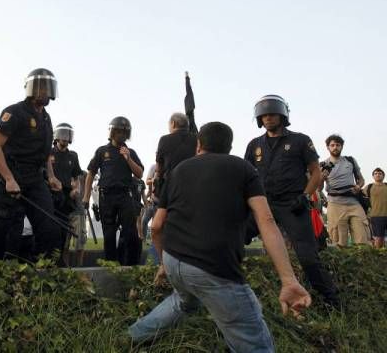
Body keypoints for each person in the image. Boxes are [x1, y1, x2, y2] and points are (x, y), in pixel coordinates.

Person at [129, 122, 311, 349]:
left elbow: (156, 226)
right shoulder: (243, 169)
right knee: (253, 338)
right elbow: (266, 221)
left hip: (174, 260)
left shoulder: (178, 171)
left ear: (199, 145)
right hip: (213, 269)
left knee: (183, 302)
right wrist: (288, 279)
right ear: (229, 146)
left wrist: (164, 264)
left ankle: (131, 337)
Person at [244, 94, 339, 307]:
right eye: (264, 115)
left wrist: (305, 196)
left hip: (293, 204)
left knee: (308, 257)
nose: (268, 118)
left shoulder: (300, 140)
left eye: (272, 114)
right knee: (231, 239)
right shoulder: (254, 145)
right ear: (259, 119)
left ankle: (332, 301)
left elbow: (315, 172)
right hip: (262, 205)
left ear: (282, 115)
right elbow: (246, 175)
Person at [0, 68, 62, 261]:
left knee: (48, 227)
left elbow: (46, 153)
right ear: (32, 88)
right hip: (13, 174)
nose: (46, 92)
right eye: (42, 88)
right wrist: (9, 178)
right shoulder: (14, 112)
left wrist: (52, 176)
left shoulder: (46, 118)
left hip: (36, 179)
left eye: (48, 88)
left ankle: (39, 269)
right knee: (1, 228)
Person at [82, 116, 144, 265]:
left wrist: (128, 158)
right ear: (112, 132)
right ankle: (111, 265)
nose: (121, 134)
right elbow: (90, 173)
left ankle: (131, 265)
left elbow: (139, 174)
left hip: (125, 195)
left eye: (124, 132)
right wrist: (86, 197)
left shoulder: (130, 152)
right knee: (109, 234)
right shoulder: (102, 151)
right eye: (118, 131)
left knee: (131, 233)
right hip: (106, 196)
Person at [320, 134, 370, 247]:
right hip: (335, 203)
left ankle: (362, 263)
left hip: (354, 203)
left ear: (342, 146)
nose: (335, 147)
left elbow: (361, 179)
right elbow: (319, 188)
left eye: (338, 145)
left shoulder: (350, 161)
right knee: (339, 243)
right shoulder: (322, 165)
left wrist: (358, 186)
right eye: (332, 145)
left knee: (363, 240)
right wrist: (322, 177)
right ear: (328, 147)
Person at [49, 123, 82, 265]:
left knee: (64, 233)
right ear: (56, 136)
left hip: (67, 198)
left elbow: (76, 177)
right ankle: (50, 259)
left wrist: (76, 189)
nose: (65, 137)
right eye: (62, 134)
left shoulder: (73, 156)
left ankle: (61, 262)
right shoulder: (48, 154)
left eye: (67, 134)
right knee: (50, 229)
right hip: (50, 196)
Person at [153, 112, 197, 194]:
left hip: (171, 186)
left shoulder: (164, 139)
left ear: (173, 124)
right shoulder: (196, 139)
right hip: (193, 185)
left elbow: (159, 167)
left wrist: (157, 183)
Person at [364, 168, 387, 248]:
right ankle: (378, 256)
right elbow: (362, 200)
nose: (378, 175)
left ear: (383, 176)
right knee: (378, 238)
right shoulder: (368, 187)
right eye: (376, 173)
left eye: (380, 173)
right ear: (373, 176)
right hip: (376, 216)